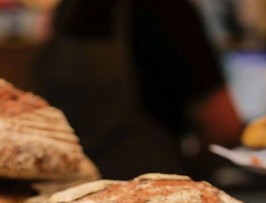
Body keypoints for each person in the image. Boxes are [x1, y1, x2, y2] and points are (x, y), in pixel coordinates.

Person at [31, 0, 243, 180]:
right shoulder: (168, 10)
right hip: (130, 187)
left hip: (138, 189)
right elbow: (225, 127)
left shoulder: (68, 10)